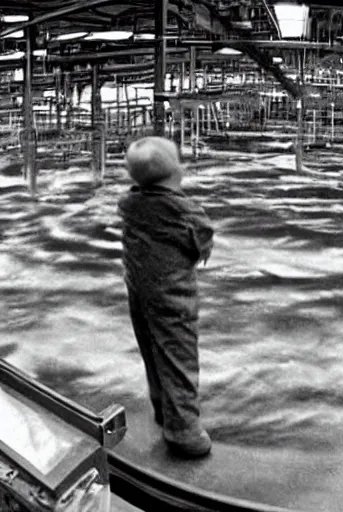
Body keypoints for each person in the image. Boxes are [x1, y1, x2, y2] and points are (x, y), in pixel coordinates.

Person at [118, 136, 214, 458]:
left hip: (139, 291)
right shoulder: (184, 210)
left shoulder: (129, 204)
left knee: (151, 349)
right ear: (177, 174)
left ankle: (161, 407)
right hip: (172, 300)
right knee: (179, 357)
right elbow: (201, 241)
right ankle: (184, 431)